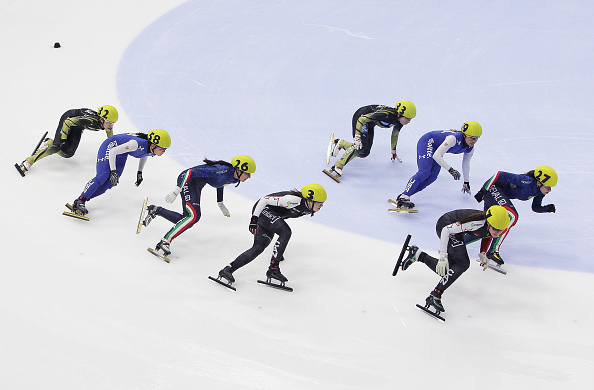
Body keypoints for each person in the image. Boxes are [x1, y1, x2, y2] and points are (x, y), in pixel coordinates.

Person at [399, 205, 512, 313]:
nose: (498, 233)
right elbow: (446, 230)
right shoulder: (476, 223)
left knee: (450, 272)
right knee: (463, 264)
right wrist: (443, 257)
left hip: (457, 232)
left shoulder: (493, 226)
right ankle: (435, 295)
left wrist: (483, 253)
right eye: (496, 229)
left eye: (501, 230)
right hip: (446, 226)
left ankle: (418, 255)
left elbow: (487, 235)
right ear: (488, 223)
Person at [143, 155, 256, 257]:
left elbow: (221, 183)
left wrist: (220, 203)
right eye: (248, 173)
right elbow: (190, 172)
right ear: (239, 169)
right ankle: (165, 241)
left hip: (196, 185)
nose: (249, 177)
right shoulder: (220, 170)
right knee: (193, 216)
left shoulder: (234, 177)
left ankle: (156, 210)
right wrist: (176, 191)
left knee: (187, 220)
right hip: (187, 180)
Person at [216, 183, 327, 285]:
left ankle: (228, 269)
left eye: (322, 204)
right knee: (286, 231)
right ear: (309, 200)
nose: (321, 206)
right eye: (319, 203)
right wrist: (254, 219)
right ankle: (273, 269)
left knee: (259, 247)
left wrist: (279, 251)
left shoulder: (309, 208)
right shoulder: (293, 200)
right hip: (263, 210)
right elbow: (264, 200)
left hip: (270, 216)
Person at [70, 129, 170, 216]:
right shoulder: (135, 144)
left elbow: (145, 154)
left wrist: (139, 172)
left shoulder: (151, 149)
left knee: (110, 183)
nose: (164, 152)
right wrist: (113, 171)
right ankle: (80, 200)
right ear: (153, 145)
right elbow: (113, 151)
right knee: (103, 176)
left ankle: (84, 200)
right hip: (111, 147)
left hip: (122, 153)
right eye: (162, 149)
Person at [473, 166, 557, 265]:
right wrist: (482, 191)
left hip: (496, 195)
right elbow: (499, 174)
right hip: (493, 189)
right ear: (539, 182)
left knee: (487, 226)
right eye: (548, 187)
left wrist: (546, 209)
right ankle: (493, 251)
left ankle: (459, 241)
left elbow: (535, 207)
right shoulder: (526, 181)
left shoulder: (540, 192)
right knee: (512, 216)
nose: (549, 190)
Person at [394, 121, 482, 209]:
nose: (474, 141)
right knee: (425, 172)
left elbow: (466, 163)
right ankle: (404, 196)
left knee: (432, 177)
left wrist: (466, 181)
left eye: (476, 138)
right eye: (471, 138)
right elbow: (437, 155)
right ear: (464, 135)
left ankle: (405, 196)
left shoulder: (470, 148)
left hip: (437, 148)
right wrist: (450, 169)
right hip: (428, 141)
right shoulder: (453, 139)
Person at [16, 105, 118, 175]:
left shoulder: (107, 125)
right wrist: (63, 139)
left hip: (77, 126)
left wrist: (113, 154)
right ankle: (28, 161)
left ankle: (49, 142)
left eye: (113, 123)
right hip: (68, 120)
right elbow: (68, 122)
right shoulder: (89, 120)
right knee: (57, 146)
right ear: (101, 119)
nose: (111, 125)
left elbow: (110, 140)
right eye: (109, 122)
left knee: (68, 153)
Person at [327, 101, 416, 177]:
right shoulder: (386, 115)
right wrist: (357, 137)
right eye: (407, 119)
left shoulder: (399, 122)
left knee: (364, 153)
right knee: (360, 147)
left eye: (410, 119)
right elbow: (361, 119)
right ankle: (338, 165)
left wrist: (393, 151)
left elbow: (395, 135)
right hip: (361, 118)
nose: (409, 122)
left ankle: (341, 143)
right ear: (399, 114)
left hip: (369, 123)